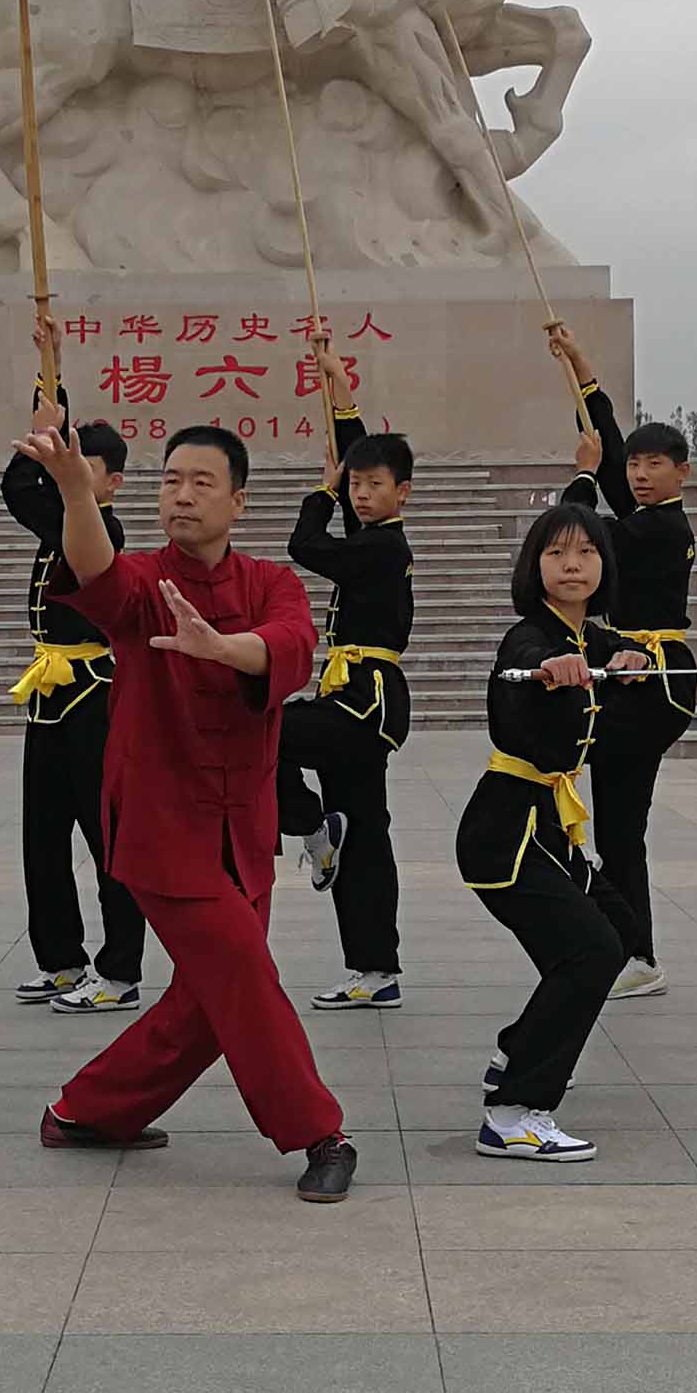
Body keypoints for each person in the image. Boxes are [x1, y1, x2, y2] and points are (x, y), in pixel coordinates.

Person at [13, 419, 357, 1205]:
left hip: (244, 830)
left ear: (238, 501)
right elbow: (94, 569)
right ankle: (320, 1132)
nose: (183, 494)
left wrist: (223, 648)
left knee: (205, 1002)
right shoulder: (143, 582)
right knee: (244, 973)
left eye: (202, 482)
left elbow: (291, 644)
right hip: (162, 828)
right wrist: (76, 492)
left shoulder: (272, 582)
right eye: (171, 480)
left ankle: (85, 1110)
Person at [462, 504, 654, 1161]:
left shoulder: (588, 636)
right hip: (505, 833)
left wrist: (630, 657)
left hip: (548, 827)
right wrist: (550, 669)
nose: (572, 565)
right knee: (590, 951)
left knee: (620, 931)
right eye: (557, 553)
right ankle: (514, 1110)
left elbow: (613, 650)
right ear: (534, 565)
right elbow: (526, 659)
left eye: (586, 553)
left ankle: (518, 1050)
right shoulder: (530, 637)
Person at [549, 323, 696, 999]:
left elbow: (580, 532)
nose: (637, 474)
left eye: (653, 465)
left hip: (653, 679)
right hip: (628, 673)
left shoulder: (660, 527)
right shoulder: (645, 511)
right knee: (617, 825)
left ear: (681, 472)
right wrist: (581, 364)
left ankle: (634, 952)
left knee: (619, 823)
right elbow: (606, 437)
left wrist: (584, 475)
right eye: (634, 466)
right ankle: (628, 947)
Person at [0, 346, 146, 1012]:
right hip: (50, 691)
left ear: (112, 482)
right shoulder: (59, 519)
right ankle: (60, 960)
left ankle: (120, 970)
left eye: (83, 466)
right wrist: (50, 380)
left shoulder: (97, 527)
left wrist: (47, 414)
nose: (67, 472)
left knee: (107, 834)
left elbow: (17, 489)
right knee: (43, 836)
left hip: (93, 693)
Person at [274, 336, 413, 1007]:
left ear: (402, 493)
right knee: (365, 834)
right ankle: (374, 970)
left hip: (365, 701)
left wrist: (321, 491)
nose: (359, 493)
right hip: (353, 697)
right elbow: (355, 446)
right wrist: (338, 383)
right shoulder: (374, 537)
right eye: (355, 485)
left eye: (372, 486)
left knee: (260, 726)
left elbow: (303, 545)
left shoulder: (383, 548)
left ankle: (308, 823)